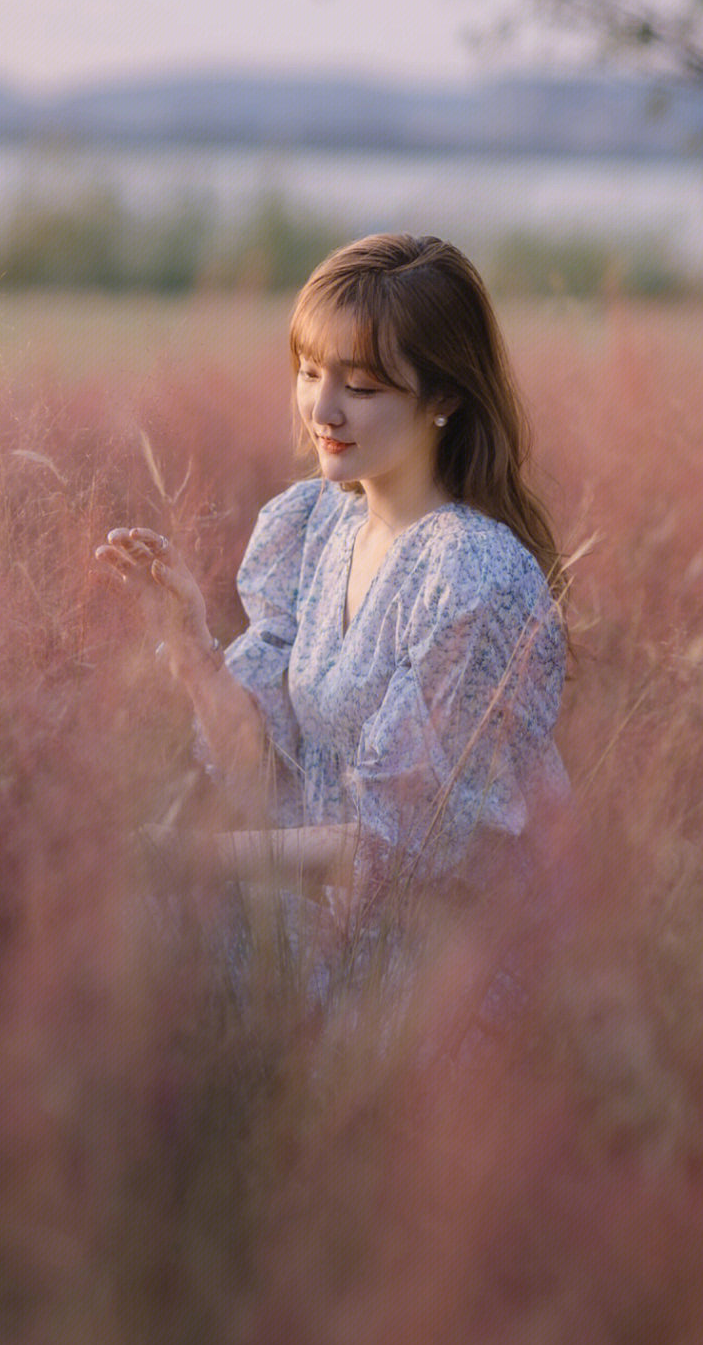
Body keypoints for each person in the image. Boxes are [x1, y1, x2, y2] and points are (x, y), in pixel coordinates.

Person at [95, 233, 568, 930]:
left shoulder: (472, 578)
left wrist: (187, 858)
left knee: (149, 921)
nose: (322, 410)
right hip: (336, 922)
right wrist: (192, 645)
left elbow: (399, 844)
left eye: (362, 386)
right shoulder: (316, 523)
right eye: (311, 372)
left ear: (444, 396)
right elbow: (265, 775)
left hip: (448, 956)